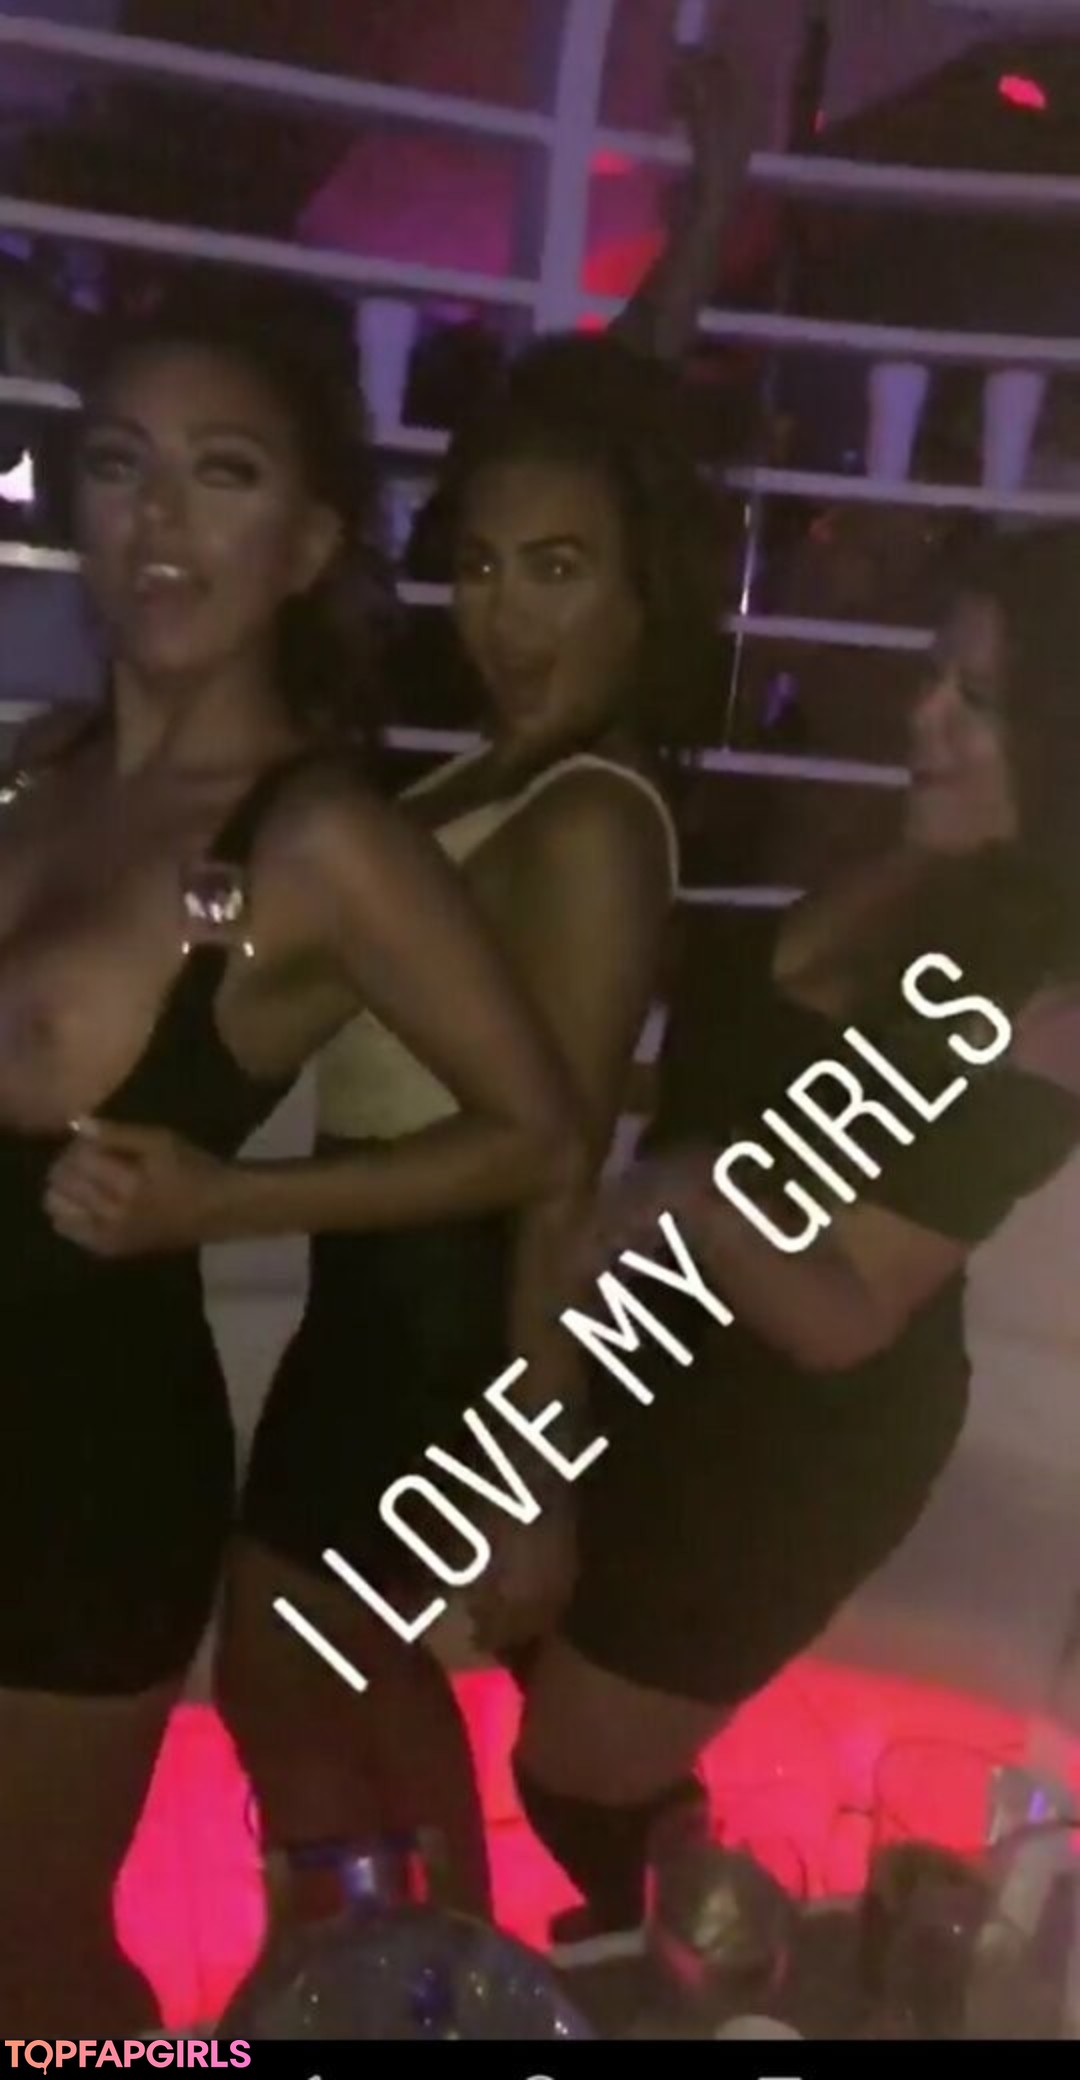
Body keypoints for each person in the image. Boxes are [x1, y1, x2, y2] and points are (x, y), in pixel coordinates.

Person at [7, 269, 579, 2033]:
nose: (160, 518)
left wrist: (227, 1197)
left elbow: (540, 1132)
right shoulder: (46, 769)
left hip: (79, 1462)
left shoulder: (319, 837)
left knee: (31, 1958)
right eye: (123, 463)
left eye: (225, 472)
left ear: (312, 543)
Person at [505, 524, 1080, 1961]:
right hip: (666, 1346)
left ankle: (688, 1972)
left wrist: (682, 1192)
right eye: (935, 675)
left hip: (790, 1440)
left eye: (978, 699)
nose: (923, 715)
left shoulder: (1047, 1000)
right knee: (523, 1625)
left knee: (569, 1767)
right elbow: (736, 1063)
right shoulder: (912, 867)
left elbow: (847, 1312)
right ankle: (687, 1914)